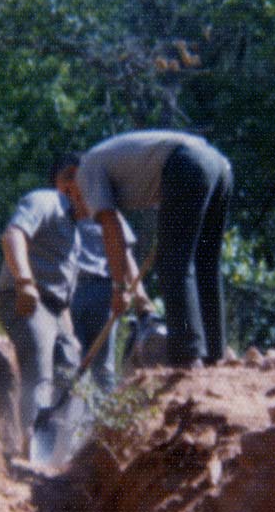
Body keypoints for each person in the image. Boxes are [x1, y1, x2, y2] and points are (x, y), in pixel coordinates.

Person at [62, 129, 232, 368]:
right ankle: (214, 355)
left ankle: (187, 356)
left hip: (188, 165)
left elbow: (112, 230)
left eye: (68, 193)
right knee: (205, 265)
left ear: (73, 174)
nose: (72, 203)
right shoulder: (111, 163)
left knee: (173, 264)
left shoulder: (86, 169)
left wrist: (118, 287)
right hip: (218, 166)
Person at [0, 155, 83, 455]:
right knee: (39, 361)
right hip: (25, 298)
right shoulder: (45, 201)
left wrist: (70, 334)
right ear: (70, 180)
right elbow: (13, 235)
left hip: (55, 310)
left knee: (72, 372)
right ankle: (30, 447)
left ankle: (62, 454)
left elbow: (63, 292)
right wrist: (24, 282)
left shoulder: (74, 229)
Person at [70, 215, 140, 393]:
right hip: (70, 291)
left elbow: (125, 254)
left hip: (103, 291)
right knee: (71, 358)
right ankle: (70, 408)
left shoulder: (107, 211)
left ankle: (105, 408)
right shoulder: (60, 209)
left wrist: (133, 292)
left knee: (104, 367)